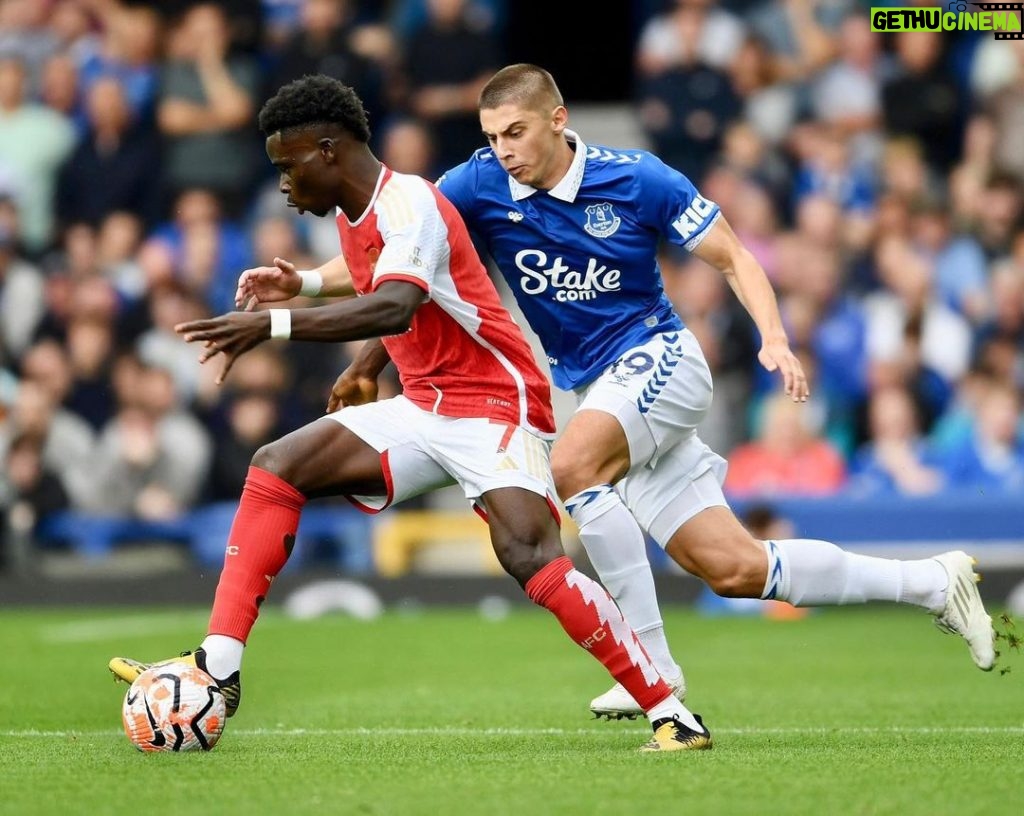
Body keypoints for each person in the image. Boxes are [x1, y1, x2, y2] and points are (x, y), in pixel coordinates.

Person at [239, 65, 997, 725]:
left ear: (557, 121)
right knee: (732, 568)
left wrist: (773, 336)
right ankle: (933, 583)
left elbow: (731, 255)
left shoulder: (639, 178)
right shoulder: (477, 183)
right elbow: (413, 258)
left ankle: (651, 676)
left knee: (570, 467)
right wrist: (308, 285)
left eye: (515, 132)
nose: (503, 150)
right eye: (491, 135)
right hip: (603, 389)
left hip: (661, 359)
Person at [108, 75, 710, 753]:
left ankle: (670, 709)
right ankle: (218, 664)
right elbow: (393, 296)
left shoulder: (410, 202)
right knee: (277, 466)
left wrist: (277, 323)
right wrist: (347, 343)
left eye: (288, 165)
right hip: (424, 404)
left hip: (494, 405)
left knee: (527, 553)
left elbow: (395, 303)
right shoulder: (354, 213)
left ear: (328, 151)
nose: (281, 183)